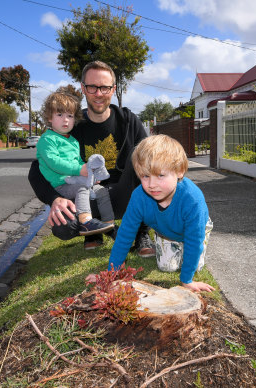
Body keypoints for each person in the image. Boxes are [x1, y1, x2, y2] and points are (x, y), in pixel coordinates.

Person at [28, 61, 155, 256]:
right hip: (87, 196)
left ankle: (141, 233)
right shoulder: (71, 126)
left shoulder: (128, 120)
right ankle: (93, 231)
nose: (98, 93)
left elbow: (154, 158)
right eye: (92, 87)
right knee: (63, 226)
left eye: (104, 87)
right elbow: (36, 169)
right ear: (83, 88)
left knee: (142, 156)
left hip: (125, 195)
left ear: (113, 89)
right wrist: (54, 199)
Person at [107, 135, 215, 293]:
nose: (151, 185)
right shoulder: (139, 197)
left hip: (195, 230)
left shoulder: (192, 199)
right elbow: (125, 234)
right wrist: (111, 273)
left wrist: (187, 280)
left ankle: (183, 254)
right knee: (167, 267)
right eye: (145, 176)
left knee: (194, 266)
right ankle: (164, 241)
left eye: (160, 175)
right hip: (166, 232)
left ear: (179, 171)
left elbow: (194, 239)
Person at [36, 87, 114, 236]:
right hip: (61, 185)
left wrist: (90, 175)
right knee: (81, 188)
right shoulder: (47, 139)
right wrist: (80, 170)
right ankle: (86, 222)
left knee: (101, 191)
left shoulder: (73, 141)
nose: (66, 120)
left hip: (77, 179)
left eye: (70, 116)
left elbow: (78, 162)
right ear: (49, 117)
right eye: (59, 114)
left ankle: (110, 226)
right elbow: (55, 163)